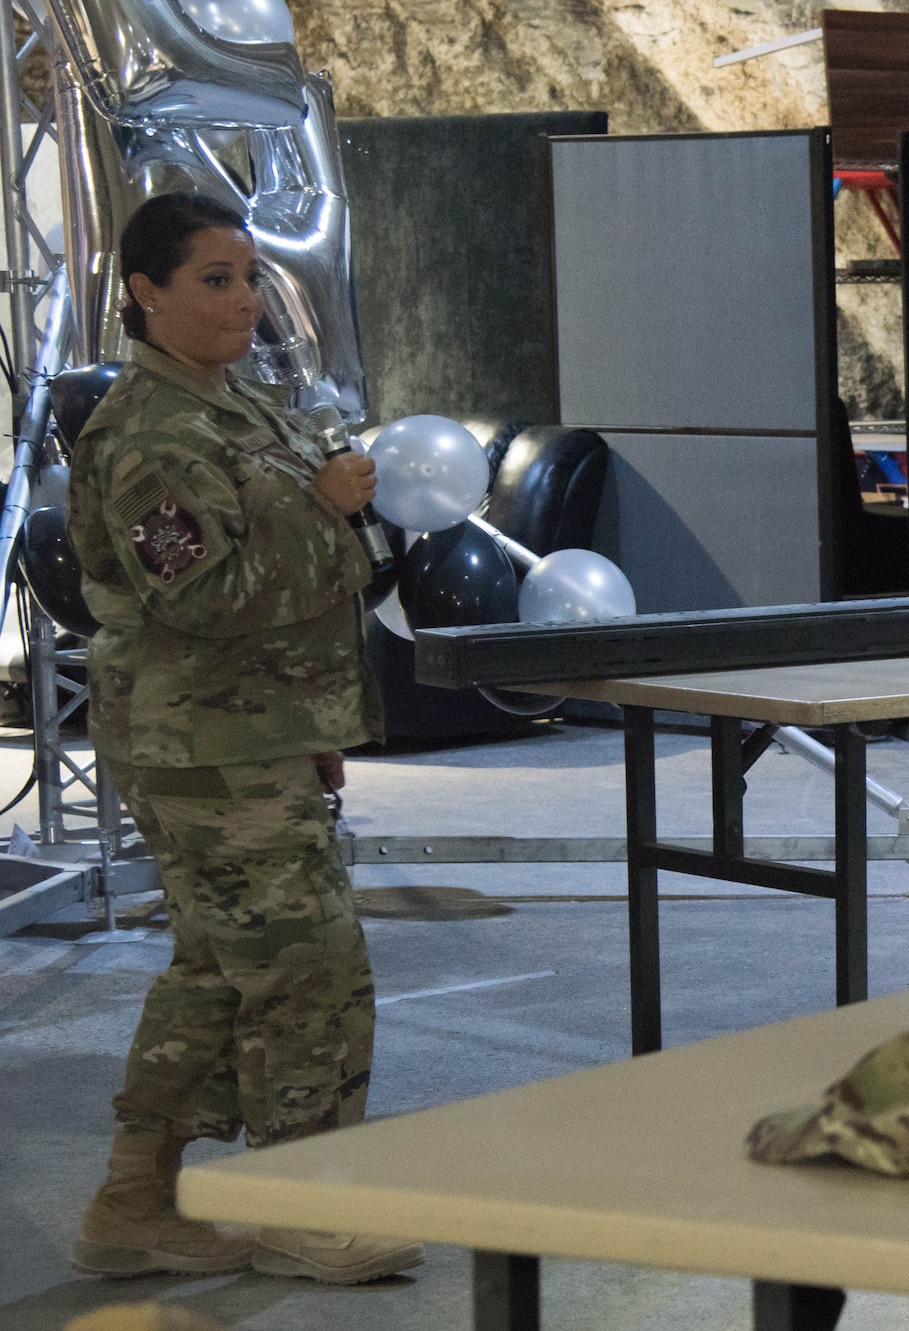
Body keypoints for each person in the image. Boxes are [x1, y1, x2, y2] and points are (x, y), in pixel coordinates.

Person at [65, 192, 421, 1285]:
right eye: (215, 279)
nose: (244, 299)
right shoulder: (151, 434)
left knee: (220, 971)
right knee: (308, 968)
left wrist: (308, 723)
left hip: (248, 730)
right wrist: (326, 511)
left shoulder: (235, 406)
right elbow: (204, 600)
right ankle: (296, 1205)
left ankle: (135, 1202)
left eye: (250, 276)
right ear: (146, 293)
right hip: (199, 744)